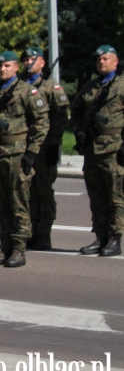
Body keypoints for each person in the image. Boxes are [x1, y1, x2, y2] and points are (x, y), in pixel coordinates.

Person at [0, 51, 48, 268]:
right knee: (2, 204)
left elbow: (41, 123)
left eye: (7, 66)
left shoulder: (27, 91)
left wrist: (32, 152)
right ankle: (5, 247)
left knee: (18, 203)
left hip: (17, 154)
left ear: (16, 68)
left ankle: (19, 249)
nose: (2, 69)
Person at [70, 45, 124, 257]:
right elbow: (75, 110)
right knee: (97, 196)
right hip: (92, 148)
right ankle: (100, 236)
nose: (101, 62)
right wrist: (78, 130)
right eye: (98, 59)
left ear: (115, 61)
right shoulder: (90, 87)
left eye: (105, 58)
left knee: (116, 196)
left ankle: (115, 238)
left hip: (114, 149)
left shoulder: (121, 86)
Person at [21, 47, 69, 251]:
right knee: (27, 193)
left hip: (43, 147)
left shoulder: (51, 88)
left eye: (34, 59)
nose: (29, 62)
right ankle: (30, 232)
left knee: (43, 192)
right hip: (22, 148)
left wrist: (54, 144)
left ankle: (44, 234)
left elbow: (61, 117)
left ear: (42, 63)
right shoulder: (20, 86)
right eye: (26, 59)